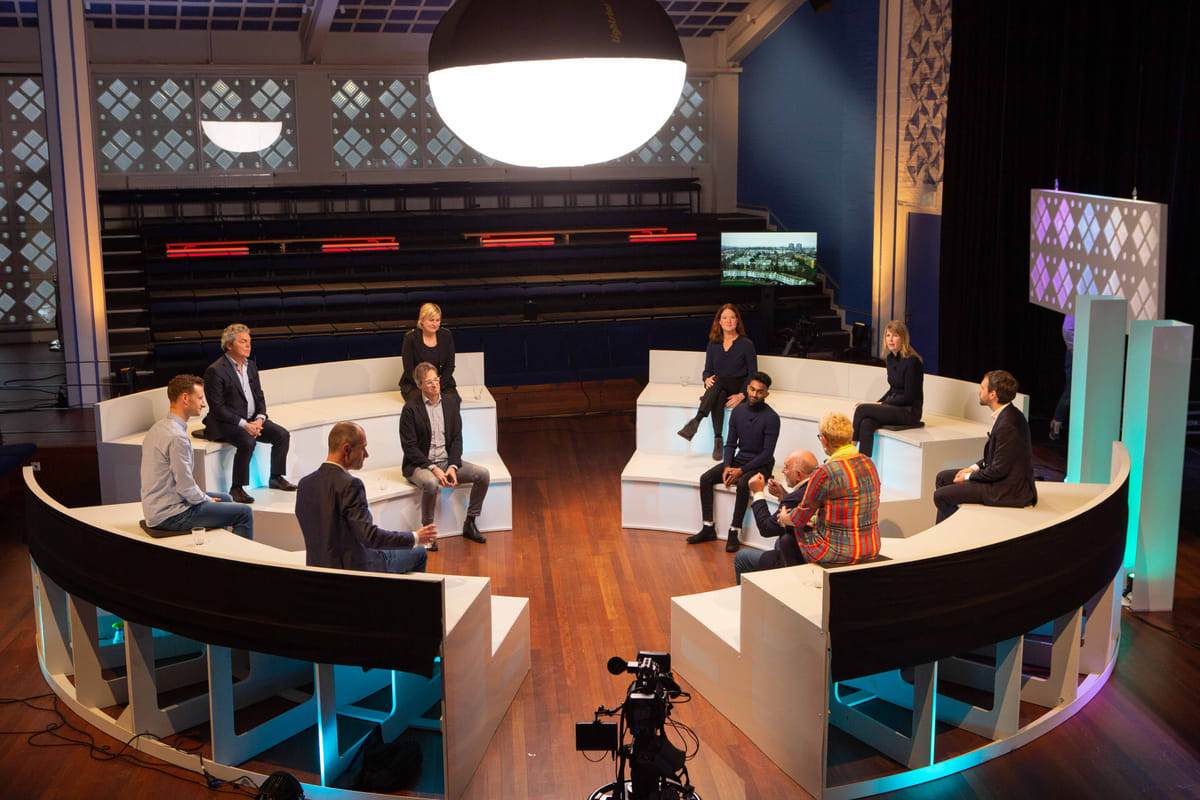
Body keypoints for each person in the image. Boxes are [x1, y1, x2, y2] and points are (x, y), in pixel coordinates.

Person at [295, 422, 436, 573]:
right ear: (346, 449)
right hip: (357, 569)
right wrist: (415, 537)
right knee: (419, 552)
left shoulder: (304, 484)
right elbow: (370, 537)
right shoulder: (351, 485)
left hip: (318, 568)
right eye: (363, 448)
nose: (366, 455)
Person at [140, 374, 254, 539]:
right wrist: (206, 500)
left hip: (159, 506)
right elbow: (185, 486)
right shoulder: (177, 437)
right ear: (185, 398)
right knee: (244, 513)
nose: (204, 403)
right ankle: (237, 556)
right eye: (200, 398)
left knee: (226, 498)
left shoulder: (159, 427)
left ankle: (219, 547)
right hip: (171, 515)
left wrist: (205, 499)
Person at [400, 361, 490, 549]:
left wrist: (453, 466)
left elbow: (457, 439)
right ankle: (427, 533)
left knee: (482, 474)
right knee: (431, 483)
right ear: (419, 385)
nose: (435, 384)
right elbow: (410, 448)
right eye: (429, 382)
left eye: (436, 379)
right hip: (420, 464)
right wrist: (433, 468)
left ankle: (470, 522)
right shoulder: (410, 409)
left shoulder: (450, 403)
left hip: (446, 461)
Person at [687, 371, 780, 552]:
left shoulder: (771, 418)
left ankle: (734, 531)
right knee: (705, 478)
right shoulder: (739, 411)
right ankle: (708, 527)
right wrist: (728, 466)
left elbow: (767, 454)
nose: (754, 394)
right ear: (747, 388)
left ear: (766, 394)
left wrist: (741, 470)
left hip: (761, 464)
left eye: (760, 391)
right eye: (752, 389)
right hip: (740, 460)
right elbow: (730, 444)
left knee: (744, 483)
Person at [202, 323, 295, 504]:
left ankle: (276, 477)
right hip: (226, 422)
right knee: (247, 441)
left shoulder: (250, 366)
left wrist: (260, 418)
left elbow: (259, 396)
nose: (248, 345)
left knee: (282, 435)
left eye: (249, 342)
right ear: (229, 345)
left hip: (252, 419)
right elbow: (217, 408)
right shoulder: (215, 370)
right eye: (243, 341)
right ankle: (236, 487)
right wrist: (245, 425)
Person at [775, 412, 881, 566]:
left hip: (839, 552)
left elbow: (801, 517)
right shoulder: (869, 463)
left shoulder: (825, 472)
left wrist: (784, 517)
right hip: (870, 546)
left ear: (824, 440)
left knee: (789, 536)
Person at [933, 370, 1038, 523]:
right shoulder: (1007, 414)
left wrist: (968, 477)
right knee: (943, 478)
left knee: (941, 496)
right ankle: (950, 525)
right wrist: (972, 469)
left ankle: (954, 530)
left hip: (1007, 489)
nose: (979, 391)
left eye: (982, 388)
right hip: (1000, 479)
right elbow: (995, 457)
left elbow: (997, 470)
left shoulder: (1008, 424)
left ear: (993, 394)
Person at [678, 304, 758, 462]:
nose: (728, 321)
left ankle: (696, 420)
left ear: (737, 321)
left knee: (718, 381)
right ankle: (718, 440)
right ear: (719, 322)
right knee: (718, 393)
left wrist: (742, 395)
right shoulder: (713, 344)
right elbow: (707, 371)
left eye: (732, 317)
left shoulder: (746, 344)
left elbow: (753, 373)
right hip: (720, 388)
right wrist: (706, 379)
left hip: (738, 386)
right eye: (725, 318)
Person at [733, 449, 819, 584]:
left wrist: (758, 492)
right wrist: (783, 495)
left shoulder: (795, 498)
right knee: (779, 542)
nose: (783, 471)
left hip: (799, 561)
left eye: (786, 467)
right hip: (806, 549)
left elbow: (766, 528)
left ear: (798, 475)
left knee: (741, 557)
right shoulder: (816, 488)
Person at [852, 319, 924, 458]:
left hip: (909, 411)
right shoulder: (890, 359)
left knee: (861, 409)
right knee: (867, 423)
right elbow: (893, 390)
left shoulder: (912, 362)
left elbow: (909, 396)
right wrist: (877, 403)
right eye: (888, 335)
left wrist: (882, 404)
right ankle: (864, 463)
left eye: (895, 335)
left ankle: (850, 449)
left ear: (903, 338)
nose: (890, 339)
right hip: (895, 407)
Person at [400, 302, 456, 401]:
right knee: (422, 402)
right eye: (431, 320)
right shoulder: (411, 338)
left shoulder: (446, 336)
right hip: (416, 385)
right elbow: (409, 370)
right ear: (422, 320)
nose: (435, 324)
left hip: (442, 383)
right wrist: (426, 387)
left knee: (451, 400)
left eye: (437, 320)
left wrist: (437, 385)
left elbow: (449, 366)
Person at [1050, 314, 1074, 441]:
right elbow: (1067, 329)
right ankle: (1056, 425)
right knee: (1070, 391)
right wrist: (1077, 351)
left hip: (1093, 352)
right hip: (1077, 353)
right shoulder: (1076, 307)